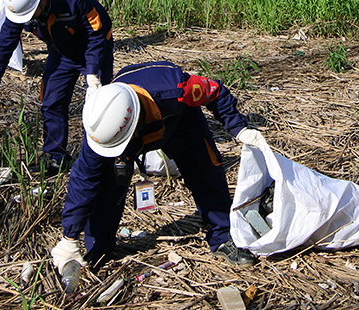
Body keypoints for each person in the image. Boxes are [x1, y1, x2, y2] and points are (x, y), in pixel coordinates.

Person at [50, 61, 266, 272]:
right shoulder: (100, 128)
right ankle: (99, 247)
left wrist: (238, 128)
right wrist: (69, 236)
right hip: (129, 135)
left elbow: (215, 90)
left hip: (181, 124)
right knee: (108, 184)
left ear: (134, 124)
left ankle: (222, 236)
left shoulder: (175, 88)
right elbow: (83, 180)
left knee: (207, 173)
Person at [0, 0, 114, 172]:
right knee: (51, 103)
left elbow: (98, 33)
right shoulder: (21, 7)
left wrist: (93, 74)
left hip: (93, 51)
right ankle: (57, 157)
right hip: (60, 53)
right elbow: (3, 46)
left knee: (99, 107)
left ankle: (96, 158)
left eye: (31, 14)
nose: (28, 20)